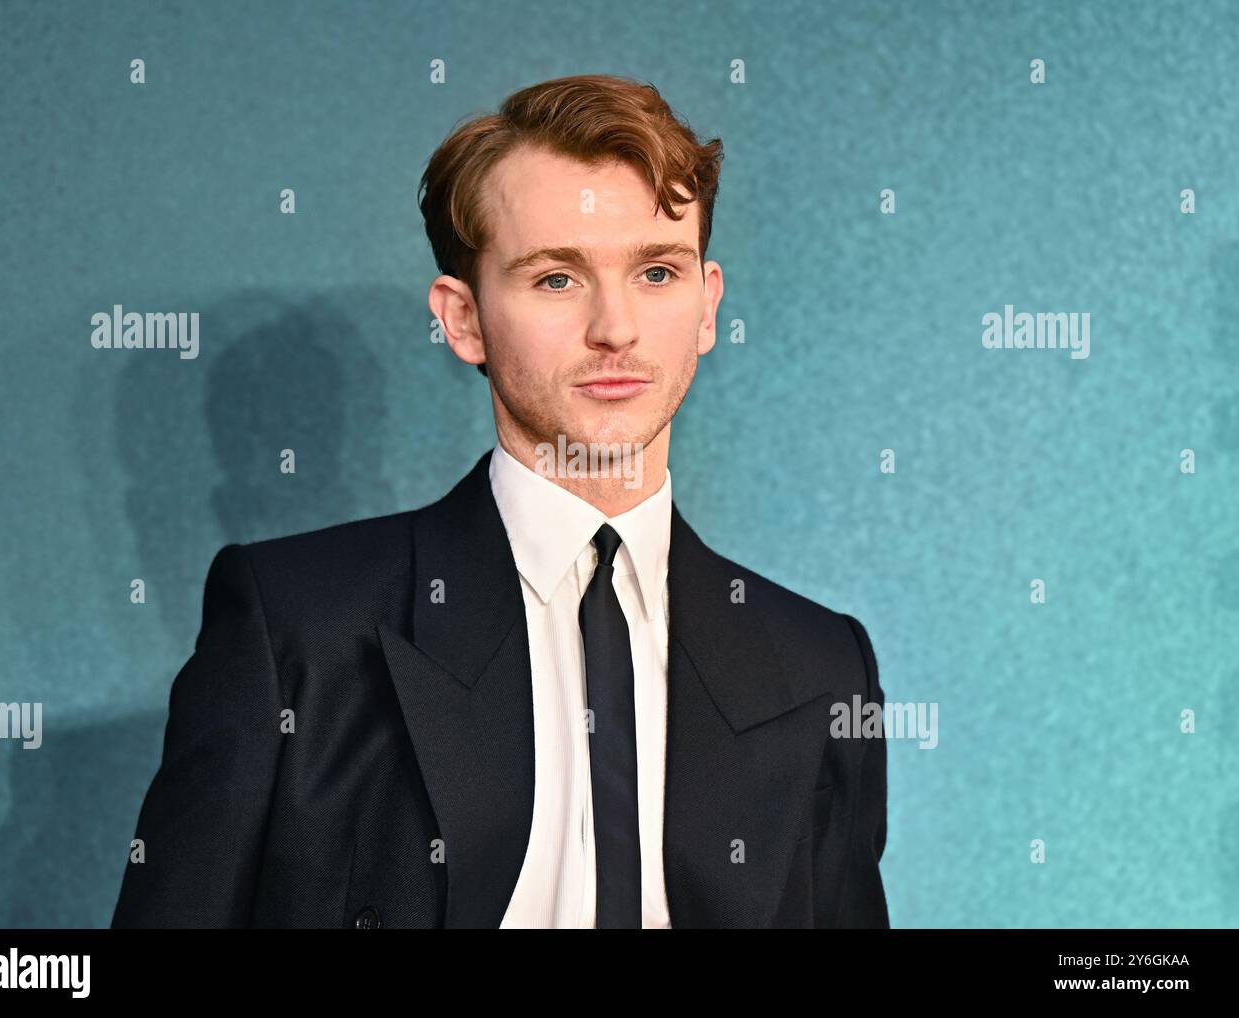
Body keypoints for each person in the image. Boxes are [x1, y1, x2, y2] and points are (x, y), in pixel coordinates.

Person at [111, 73, 889, 929]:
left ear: (707, 308)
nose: (616, 328)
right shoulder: (295, 628)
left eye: (656, 272)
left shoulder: (819, 666)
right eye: (557, 279)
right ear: (464, 319)